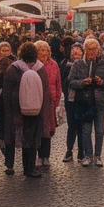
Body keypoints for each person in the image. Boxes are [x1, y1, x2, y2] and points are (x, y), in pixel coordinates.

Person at [3, 43, 48, 177]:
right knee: (32, 138)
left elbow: (6, 92)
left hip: (18, 109)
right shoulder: (40, 69)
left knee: (23, 138)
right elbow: (45, 91)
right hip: (36, 109)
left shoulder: (13, 68)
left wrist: (9, 110)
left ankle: (26, 167)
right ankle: (30, 167)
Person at [68, 38, 104, 167]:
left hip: (99, 99)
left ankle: (97, 155)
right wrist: (82, 82)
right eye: (89, 49)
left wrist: (102, 82)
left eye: (94, 49)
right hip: (84, 100)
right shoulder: (78, 64)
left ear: (98, 49)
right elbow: (70, 81)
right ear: (85, 50)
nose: (92, 52)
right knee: (86, 130)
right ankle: (87, 155)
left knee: (99, 130)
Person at [36, 41, 62, 171]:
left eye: (46, 50)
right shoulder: (34, 65)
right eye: (41, 50)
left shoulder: (54, 64)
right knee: (38, 129)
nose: (44, 53)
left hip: (50, 101)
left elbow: (58, 83)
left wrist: (57, 99)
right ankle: (39, 156)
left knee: (48, 129)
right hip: (36, 101)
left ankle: (46, 156)